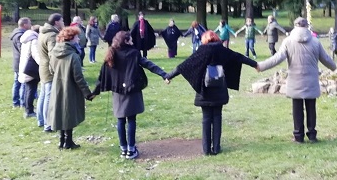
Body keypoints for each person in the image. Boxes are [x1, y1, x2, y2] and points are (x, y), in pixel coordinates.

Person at [165, 30, 257, 155]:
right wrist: (255, 64)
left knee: (206, 118)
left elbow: (184, 65)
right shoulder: (222, 50)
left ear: (205, 40)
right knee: (217, 117)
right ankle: (216, 148)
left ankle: (206, 149)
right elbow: (239, 57)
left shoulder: (202, 50)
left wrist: (169, 76)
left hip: (205, 91)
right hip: (219, 89)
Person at [257, 17, 337, 143]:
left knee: (297, 109)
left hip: (295, 81)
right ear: (307, 26)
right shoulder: (315, 42)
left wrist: (261, 66)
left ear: (295, 26)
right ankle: (312, 135)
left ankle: (298, 136)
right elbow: (325, 58)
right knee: (311, 108)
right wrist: (334, 68)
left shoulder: (288, 41)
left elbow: (277, 58)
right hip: (311, 81)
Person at [92, 31, 168, 159]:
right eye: (131, 40)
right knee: (131, 119)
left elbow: (102, 76)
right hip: (132, 91)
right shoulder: (133, 53)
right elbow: (148, 64)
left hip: (118, 93)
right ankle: (131, 150)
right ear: (126, 41)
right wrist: (164, 74)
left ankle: (124, 149)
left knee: (120, 120)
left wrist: (94, 92)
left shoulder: (112, 53)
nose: (132, 41)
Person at [48, 26, 94, 150]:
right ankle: (68, 142)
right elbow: (78, 77)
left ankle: (62, 140)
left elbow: (51, 70)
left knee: (60, 113)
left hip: (57, 87)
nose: (78, 39)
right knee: (69, 114)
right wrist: (87, 93)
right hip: (70, 88)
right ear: (71, 38)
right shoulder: (73, 56)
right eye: (77, 37)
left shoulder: (54, 53)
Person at [37, 13, 65, 133]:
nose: (63, 23)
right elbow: (53, 54)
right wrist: (56, 70)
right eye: (62, 21)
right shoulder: (52, 35)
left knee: (43, 95)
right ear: (56, 22)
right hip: (49, 69)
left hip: (43, 67)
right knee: (48, 96)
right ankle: (48, 124)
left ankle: (41, 120)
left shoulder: (42, 32)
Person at [18, 25, 40, 119]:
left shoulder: (26, 39)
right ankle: (29, 111)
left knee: (28, 89)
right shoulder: (34, 41)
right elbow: (36, 55)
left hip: (25, 66)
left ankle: (27, 109)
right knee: (31, 90)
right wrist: (42, 64)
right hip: (31, 68)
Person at [10, 17, 31, 108]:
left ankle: (16, 102)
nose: (31, 25)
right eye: (29, 23)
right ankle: (22, 102)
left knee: (17, 83)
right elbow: (22, 49)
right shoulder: (20, 36)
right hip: (20, 62)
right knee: (22, 83)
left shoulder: (16, 33)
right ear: (25, 25)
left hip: (17, 61)